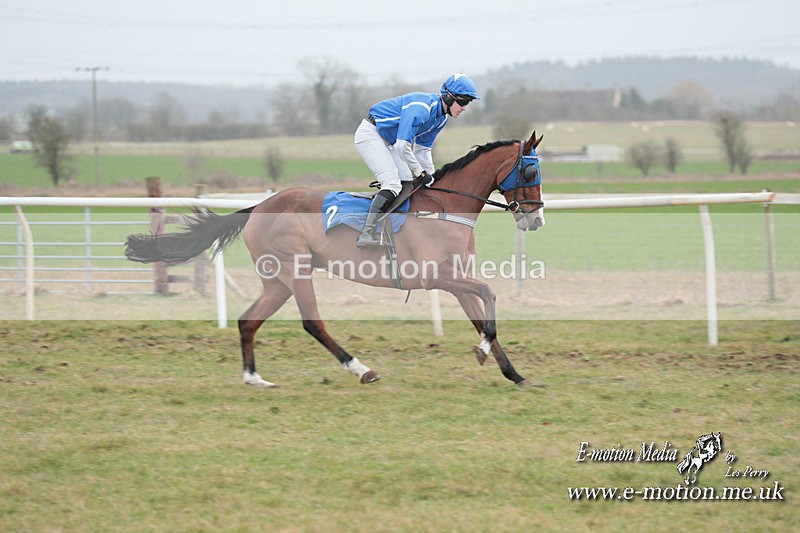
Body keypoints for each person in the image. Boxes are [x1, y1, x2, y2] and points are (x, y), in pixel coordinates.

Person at [353, 73, 480, 248]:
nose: (464, 108)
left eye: (468, 103)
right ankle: (366, 234)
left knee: (407, 183)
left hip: (389, 141)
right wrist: (420, 173)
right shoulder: (422, 109)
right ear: (448, 97)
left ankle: (392, 229)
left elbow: (422, 150)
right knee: (392, 184)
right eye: (463, 102)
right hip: (370, 134)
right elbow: (402, 146)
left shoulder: (441, 119)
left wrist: (432, 177)